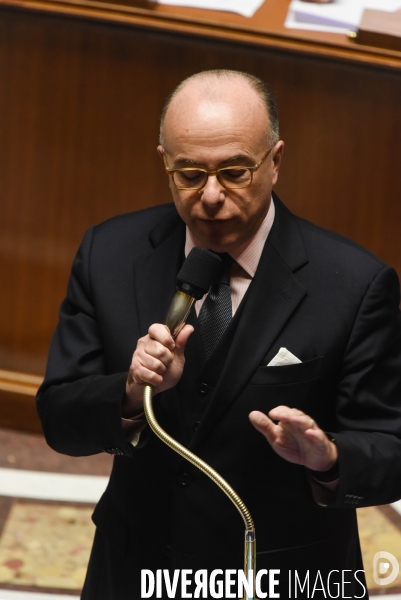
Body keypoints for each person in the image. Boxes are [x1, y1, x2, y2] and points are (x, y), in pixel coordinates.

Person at [37, 69, 401, 599]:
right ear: (164, 160)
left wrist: (330, 459)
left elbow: (390, 448)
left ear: (275, 161)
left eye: (235, 171)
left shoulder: (355, 284)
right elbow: (59, 419)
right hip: (136, 568)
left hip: (283, 575)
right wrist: (132, 393)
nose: (210, 196)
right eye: (189, 173)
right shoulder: (109, 254)